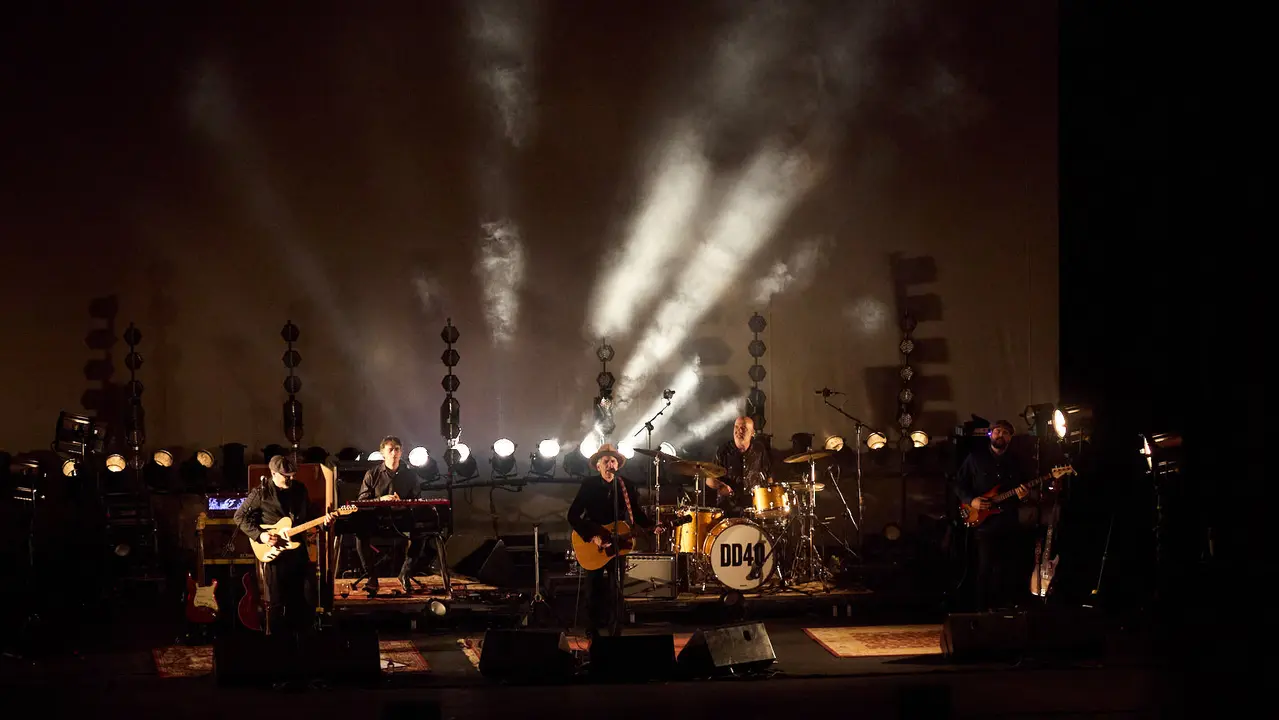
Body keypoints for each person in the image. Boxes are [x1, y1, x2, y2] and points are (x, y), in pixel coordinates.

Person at [567, 443, 657, 639]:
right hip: (594, 542)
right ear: (598, 465)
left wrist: (652, 526)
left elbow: (636, 512)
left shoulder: (626, 485)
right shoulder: (589, 485)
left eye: (613, 461)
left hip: (619, 542)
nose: (610, 464)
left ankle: (615, 627)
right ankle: (592, 628)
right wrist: (593, 536)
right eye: (606, 461)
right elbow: (573, 515)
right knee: (594, 587)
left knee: (616, 586)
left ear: (618, 465)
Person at [234, 454, 328, 636]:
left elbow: (310, 517)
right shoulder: (261, 493)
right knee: (276, 603)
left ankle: (304, 646)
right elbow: (239, 517)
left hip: (298, 552)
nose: (290, 478)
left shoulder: (300, 489)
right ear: (273, 473)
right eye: (286, 475)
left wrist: (325, 522)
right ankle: (276, 648)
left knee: (305, 602)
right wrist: (261, 536)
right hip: (275, 556)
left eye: (292, 474)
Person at [955, 419, 1033, 611]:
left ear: (1010, 438)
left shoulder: (1017, 462)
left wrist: (1023, 496)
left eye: (1005, 433)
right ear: (990, 434)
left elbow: (1024, 492)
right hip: (984, 524)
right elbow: (958, 484)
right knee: (985, 568)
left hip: (1008, 521)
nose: (1000, 435)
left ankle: (1004, 611)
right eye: (997, 431)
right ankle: (982, 611)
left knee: (1007, 569)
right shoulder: (975, 458)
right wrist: (972, 500)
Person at [354, 435, 434, 595]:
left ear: (401, 452)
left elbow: (417, 500)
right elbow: (361, 500)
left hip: (401, 518)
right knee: (360, 532)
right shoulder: (373, 473)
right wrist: (380, 500)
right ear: (382, 453)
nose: (394, 453)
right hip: (378, 519)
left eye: (397, 449)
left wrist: (402, 503)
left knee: (422, 531)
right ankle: (371, 576)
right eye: (390, 449)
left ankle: (405, 573)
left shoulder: (410, 475)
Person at [709, 416, 773, 516]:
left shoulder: (759, 450)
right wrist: (721, 486)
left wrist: (769, 496)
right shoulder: (723, 451)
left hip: (754, 507)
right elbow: (709, 479)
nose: (739, 431)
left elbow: (769, 476)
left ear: (752, 433)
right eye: (736, 427)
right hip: (728, 508)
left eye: (743, 428)